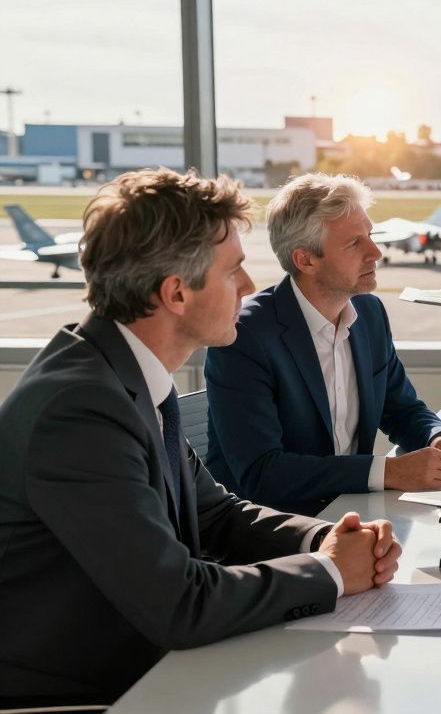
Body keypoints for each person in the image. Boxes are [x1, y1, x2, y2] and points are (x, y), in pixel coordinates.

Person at [0, 169, 401, 707]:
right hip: (79, 698)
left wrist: (325, 539)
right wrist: (330, 572)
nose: (249, 286)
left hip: (148, 671)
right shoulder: (79, 411)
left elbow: (215, 515)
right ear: (176, 293)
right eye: (233, 270)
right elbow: (178, 604)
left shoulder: (124, 375)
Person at [205, 173, 441, 516]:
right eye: (354, 244)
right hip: (270, 527)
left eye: (370, 236)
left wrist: (439, 437)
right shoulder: (245, 335)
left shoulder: (369, 314)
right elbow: (263, 473)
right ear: (306, 260)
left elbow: (402, 409)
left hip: (351, 511)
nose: (376, 252)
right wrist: (389, 472)